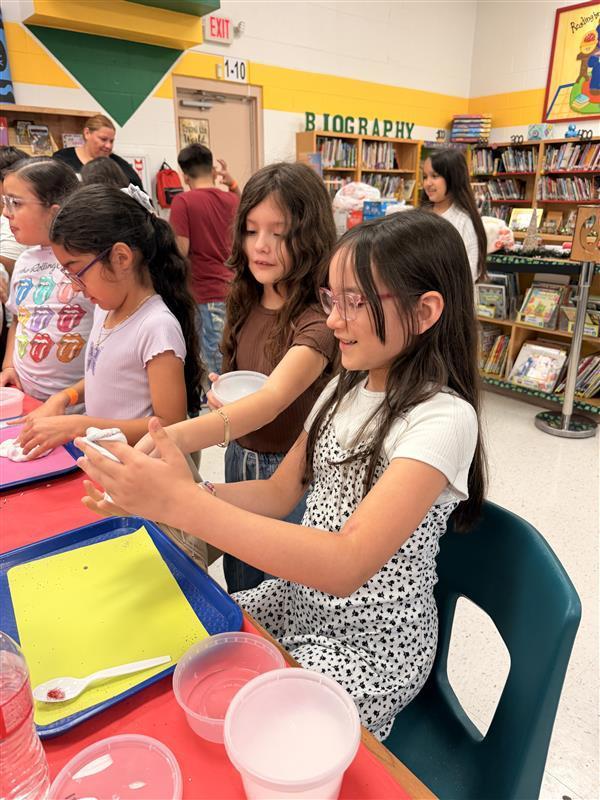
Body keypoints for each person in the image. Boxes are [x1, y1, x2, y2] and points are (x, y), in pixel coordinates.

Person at [77, 209, 485, 741]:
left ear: (426, 310)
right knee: (176, 644)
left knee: (241, 720)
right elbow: (276, 493)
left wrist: (183, 505)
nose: (335, 319)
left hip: (370, 644)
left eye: (356, 302)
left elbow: (346, 564)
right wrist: (181, 492)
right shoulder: (345, 390)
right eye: (331, 299)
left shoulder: (444, 418)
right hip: (299, 602)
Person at [139, 161, 338, 588]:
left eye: (279, 232)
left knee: (282, 586)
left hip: (291, 471)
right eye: (251, 230)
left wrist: (173, 436)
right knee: (242, 576)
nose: (261, 245)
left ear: (311, 236)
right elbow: (235, 375)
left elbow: (271, 400)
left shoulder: (318, 320)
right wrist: (219, 395)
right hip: (238, 456)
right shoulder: (243, 299)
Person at [14, 184, 204, 454]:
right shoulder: (105, 308)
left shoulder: (156, 326)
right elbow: (103, 373)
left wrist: (79, 426)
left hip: (139, 475)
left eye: (77, 272)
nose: (75, 287)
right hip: (105, 463)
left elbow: (169, 425)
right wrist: (65, 397)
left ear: (121, 257)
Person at [0, 158, 94, 405]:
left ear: (54, 211)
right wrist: (9, 364)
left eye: (15, 203)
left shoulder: (86, 261)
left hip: (79, 407)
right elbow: (18, 318)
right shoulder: (24, 261)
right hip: (27, 399)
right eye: (5, 202)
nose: (6, 213)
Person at [169, 144, 240, 376]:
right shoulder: (232, 200)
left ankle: (221, 411)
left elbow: (182, 249)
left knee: (214, 363)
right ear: (212, 169)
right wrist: (232, 183)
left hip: (206, 292)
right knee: (231, 354)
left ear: (185, 176)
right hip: (235, 289)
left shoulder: (184, 202)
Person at [421, 148, 487, 281]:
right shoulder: (420, 216)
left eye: (434, 176)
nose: (427, 183)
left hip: (449, 298)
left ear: (453, 178)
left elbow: (469, 273)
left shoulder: (463, 222)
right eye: (425, 177)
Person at [53, 114, 143, 190]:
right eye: (103, 139)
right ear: (87, 133)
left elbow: (143, 200)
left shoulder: (121, 166)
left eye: (111, 141)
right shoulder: (62, 159)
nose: (108, 146)